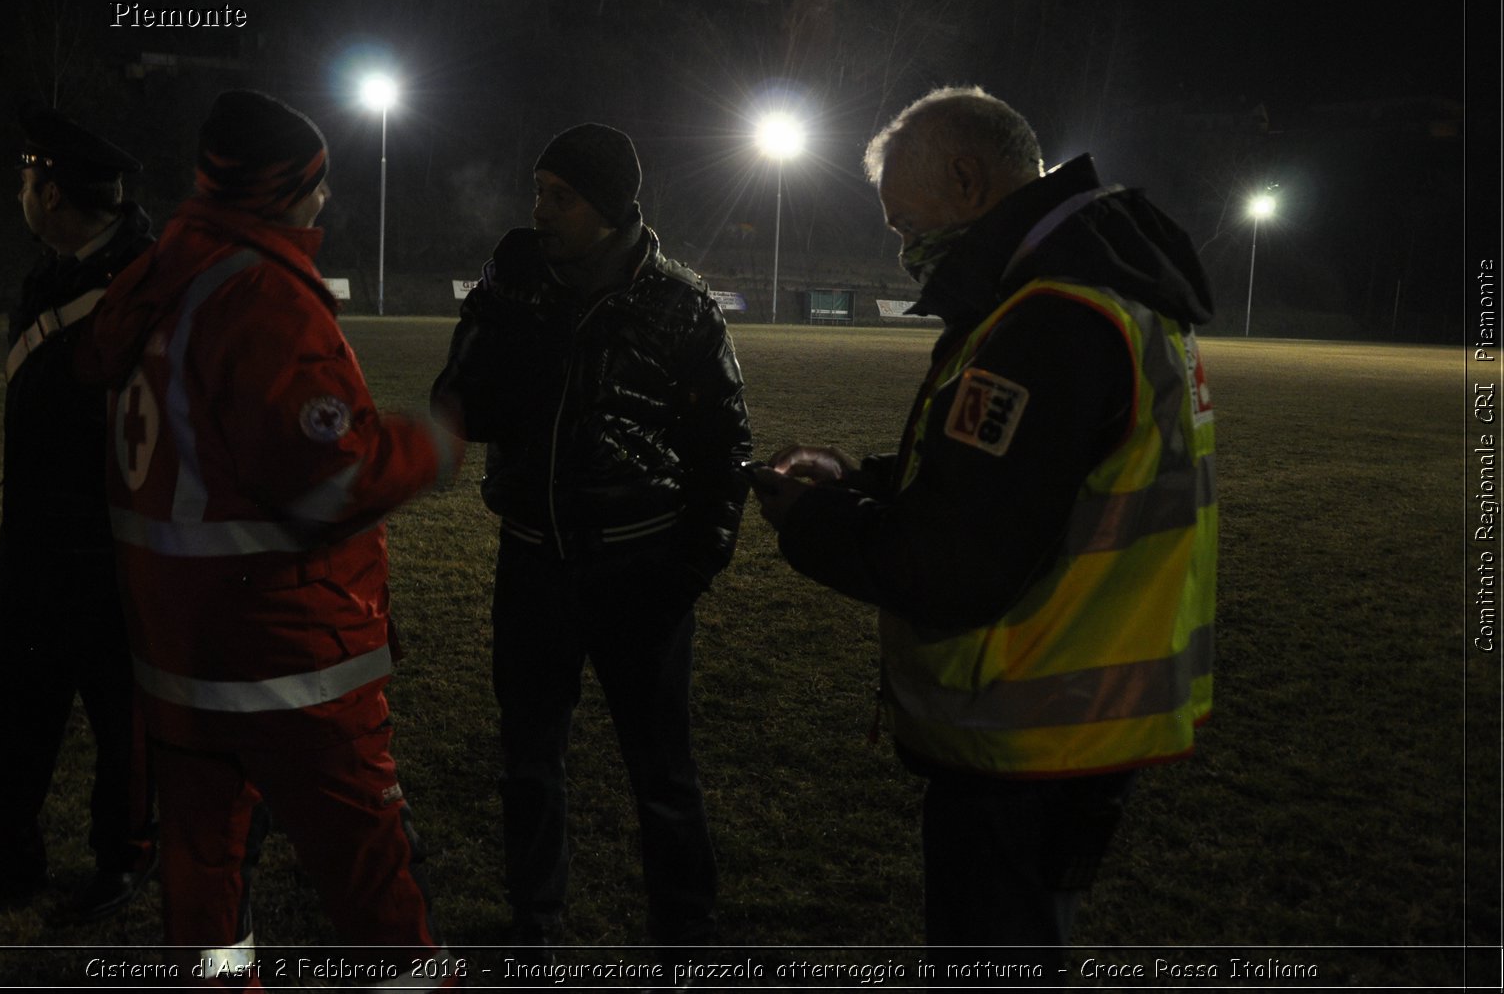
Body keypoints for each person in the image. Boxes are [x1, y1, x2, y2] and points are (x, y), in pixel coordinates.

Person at [750, 86, 1217, 981]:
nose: (903, 246)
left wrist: (810, 521)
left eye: (902, 223)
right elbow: (1012, 482)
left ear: (968, 178)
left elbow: (952, 564)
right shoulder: (1113, 294)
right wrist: (859, 477)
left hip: (1028, 729)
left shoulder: (1049, 321)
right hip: (1087, 722)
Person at [75, 89, 464, 985]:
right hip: (284, 659)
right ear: (286, 188)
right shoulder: (256, 292)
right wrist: (432, 446)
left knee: (205, 889)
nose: (325, 203)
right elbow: (330, 473)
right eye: (318, 185)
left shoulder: (165, 271)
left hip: (179, 656)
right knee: (372, 884)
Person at [429, 123, 752, 965]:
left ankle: (687, 934)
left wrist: (687, 569)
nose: (539, 210)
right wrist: (502, 320)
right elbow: (455, 404)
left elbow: (726, 453)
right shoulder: (520, 287)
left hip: (640, 566)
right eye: (536, 191)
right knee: (529, 761)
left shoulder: (681, 305)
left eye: (559, 195)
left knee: (663, 773)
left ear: (608, 208)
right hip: (533, 560)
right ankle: (536, 923)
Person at [0, 104, 159, 933]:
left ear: (53, 195)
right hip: (36, 540)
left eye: (28, 181)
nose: (21, 192)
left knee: (121, 718)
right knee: (15, 708)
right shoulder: (50, 277)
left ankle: (123, 857)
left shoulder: (141, 287)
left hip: (110, 547)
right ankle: (2, 858)